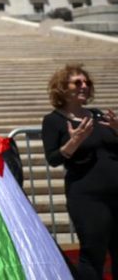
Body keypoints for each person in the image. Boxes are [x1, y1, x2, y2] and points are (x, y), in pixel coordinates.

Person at [42, 64, 118, 280]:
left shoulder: (98, 115)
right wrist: (74, 141)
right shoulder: (53, 120)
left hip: (116, 193)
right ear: (62, 88)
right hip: (88, 198)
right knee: (94, 252)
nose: (84, 86)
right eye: (77, 82)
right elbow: (53, 158)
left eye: (87, 82)